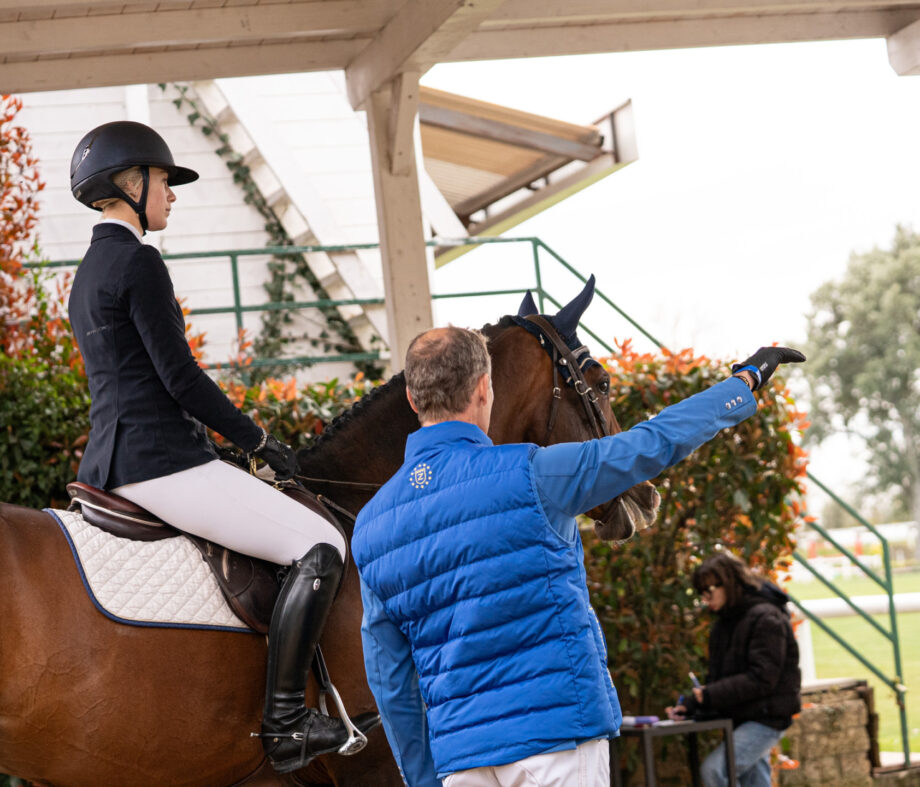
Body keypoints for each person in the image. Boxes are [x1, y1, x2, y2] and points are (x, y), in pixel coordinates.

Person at [351, 324, 804, 787]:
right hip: (557, 739)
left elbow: (390, 680)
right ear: (485, 387)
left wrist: (426, 779)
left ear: (412, 398)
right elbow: (653, 443)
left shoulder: (369, 527)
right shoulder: (534, 474)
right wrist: (744, 382)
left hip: (461, 761)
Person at [66, 120, 377, 773]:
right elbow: (180, 378)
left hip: (111, 462)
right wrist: (257, 438)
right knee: (320, 546)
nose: (172, 196)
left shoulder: (88, 271)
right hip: (160, 463)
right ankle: (287, 718)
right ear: (130, 183)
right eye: (165, 183)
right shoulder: (138, 262)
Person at [665, 552, 801, 787]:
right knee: (754, 781)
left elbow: (762, 678)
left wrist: (710, 694)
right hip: (744, 717)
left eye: (709, 591)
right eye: (701, 594)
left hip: (767, 719)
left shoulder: (766, 618)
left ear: (727, 583)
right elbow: (722, 683)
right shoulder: (724, 624)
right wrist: (692, 705)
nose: (706, 599)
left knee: (715, 771)